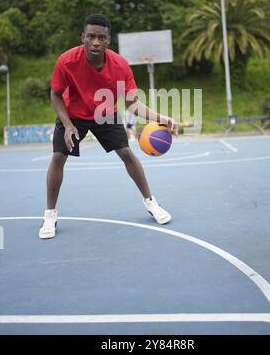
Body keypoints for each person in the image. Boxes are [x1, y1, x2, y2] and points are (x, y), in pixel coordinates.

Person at [39, 13, 178, 239]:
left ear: (108, 40)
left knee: (126, 153)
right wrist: (67, 124)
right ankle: (50, 215)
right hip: (73, 114)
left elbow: (133, 104)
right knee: (58, 157)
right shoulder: (66, 61)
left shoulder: (120, 66)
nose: (96, 42)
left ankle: (151, 202)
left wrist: (161, 118)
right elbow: (55, 94)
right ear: (82, 37)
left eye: (101, 37)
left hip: (105, 113)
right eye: (91, 36)